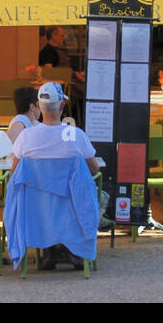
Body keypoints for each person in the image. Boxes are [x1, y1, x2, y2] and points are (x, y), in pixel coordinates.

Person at [10, 82, 102, 269]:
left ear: (39, 106)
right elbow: (94, 169)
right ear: (62, 106)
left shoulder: (26, 137)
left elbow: (15, 173)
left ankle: (50, 250)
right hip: (72, 208)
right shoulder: (75, 134)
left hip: (37, 211)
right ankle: (73, 249)